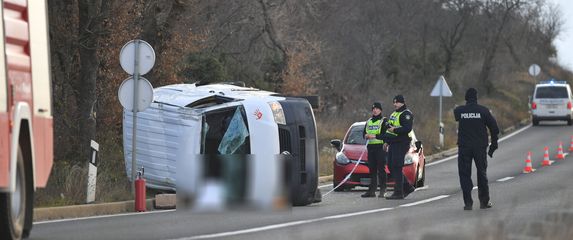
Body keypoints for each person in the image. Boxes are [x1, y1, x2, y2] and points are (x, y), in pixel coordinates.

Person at [453, 88, 499, 210]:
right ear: (476, 98)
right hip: (480, 147)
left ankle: (468, 203)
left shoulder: (459, 111)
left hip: (464, 148)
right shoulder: (483, 111)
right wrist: (494, 145)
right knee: (482, 173)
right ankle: (484, 202)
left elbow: (456, 115)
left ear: (466, 98)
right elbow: (495, 128)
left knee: (464, 175)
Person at [381, 95, 415, 199]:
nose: (395, 104)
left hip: (402, 143)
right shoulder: (393, 114)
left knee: (397, 166)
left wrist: (395, 130)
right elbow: (389, 129)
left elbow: (407, 129)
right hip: (393, 143)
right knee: (391, 166)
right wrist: (386, 141)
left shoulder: (406, 114)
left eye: (397, 102)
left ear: (403, 103)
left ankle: (398, 192)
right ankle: (407, 187)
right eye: (394, 102)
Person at [362, 102, 389, 198]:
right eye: (373, 109)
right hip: (371, 148)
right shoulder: (369, 121)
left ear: (380, 110)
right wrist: (366, 135)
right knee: (372, 169)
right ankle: (372, 190)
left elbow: (385, 135)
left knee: (381, 169)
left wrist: (374, 136)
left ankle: (383, 189)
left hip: (380, 148)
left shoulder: (384, 121)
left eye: (377, 108)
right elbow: (364, 133)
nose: (375, 110)